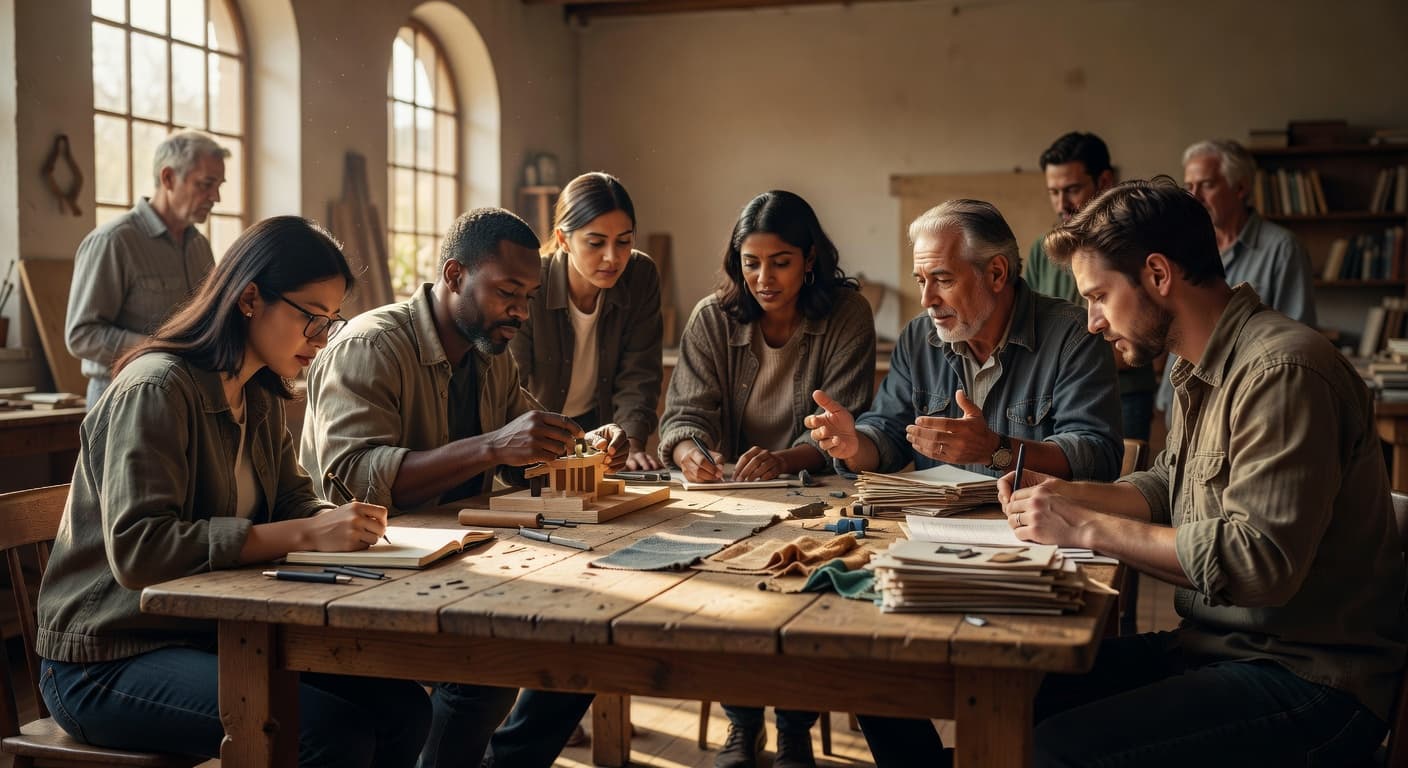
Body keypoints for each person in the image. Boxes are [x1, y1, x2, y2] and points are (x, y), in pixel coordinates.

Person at [1005, 177, 1405, 766]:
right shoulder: (1199, 367)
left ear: (1158, 275)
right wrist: (1067, 493)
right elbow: (1169, 485)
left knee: (1054, 750)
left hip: (1310, 681)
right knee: (1019, 691)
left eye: (1098, 296)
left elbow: (1258, 564)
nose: (1092, 321)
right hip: (1220, 648)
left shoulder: (1281, 371)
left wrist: (1082, 528)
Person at [35, 216, 431, 766]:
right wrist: (303, 533)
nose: (320, 340)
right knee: (328, 732)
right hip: (105, 657)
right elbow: (141, 549)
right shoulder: (157, 389)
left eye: (331, 323)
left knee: (404, 709)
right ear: (249, 298)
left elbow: (294, 500)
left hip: (201, 635)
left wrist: (344, 525)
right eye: (312, 320)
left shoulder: (261, 392)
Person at [299, 207, 629, 768]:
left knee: (590, 648)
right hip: (362, 570)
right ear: (454, 277)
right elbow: (354, 475)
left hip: (455, 562)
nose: (521, 311)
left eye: (528, 296)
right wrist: (493, 446)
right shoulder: (370, 345)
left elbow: (522, 451)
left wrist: (581, 446)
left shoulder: (492, 353)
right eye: (507, 292)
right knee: (492, 668)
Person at [659, 190, 876, 768]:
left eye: (780, 262)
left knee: (806, 584)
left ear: (810, 259)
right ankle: (743, 724)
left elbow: (843, 426)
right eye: (750, 262)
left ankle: (796, 727)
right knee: (731, 590)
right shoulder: (712, 317)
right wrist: (690, 454)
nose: (763, 277)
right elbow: (683, 416)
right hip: (733, 494)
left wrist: (783, 460)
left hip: (820, 494)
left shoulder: (846, 314)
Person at [807, 199, 1122, 483]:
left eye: (943, 280)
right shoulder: (918, 338)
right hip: (938, 531)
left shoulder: (1073, 335)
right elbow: (889, 434)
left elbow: (1096, 456)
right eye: (921, 281)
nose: (926, 299)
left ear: (997, 274)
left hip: (1037, 533)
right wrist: (853, 445)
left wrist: (995, 450)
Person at [1155, 138, 1318, 422]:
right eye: (1188, 187)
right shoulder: (1185, 248)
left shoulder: (1282, 248)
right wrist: (1166, 397)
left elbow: (1298, 339)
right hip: (1184, 402)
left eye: (1206, 185)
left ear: (1240, 188)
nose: (1194, 197)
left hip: (1248, 405)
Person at [511, 171, 664, 471]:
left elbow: (640, 374)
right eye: (596, 243)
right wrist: (556, 448)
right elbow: (513, 386)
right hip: (537, 432)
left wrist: (629, 444)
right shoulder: (532, 282)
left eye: (624, 242)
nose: (612, 257)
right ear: (563, 240)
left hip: (602, 431)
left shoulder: (640, 275)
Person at [66, 129, 227, 404]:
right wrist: (159, 348)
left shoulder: (200, 245)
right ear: (168, 178)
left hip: (184, 397)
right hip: (121, 399)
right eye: (206, 184)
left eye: (219, 185)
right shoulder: (113, 241)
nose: (216, 197)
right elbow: (82, 336)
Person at [1028, 131, 1156, 441]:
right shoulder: (1041, 250)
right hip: (1056, 398)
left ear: (1104, 180)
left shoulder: (1135, 243)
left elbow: (1150, 332)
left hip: (1124, 395)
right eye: (1053, 192)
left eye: (1072, 189)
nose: (1062, 204)